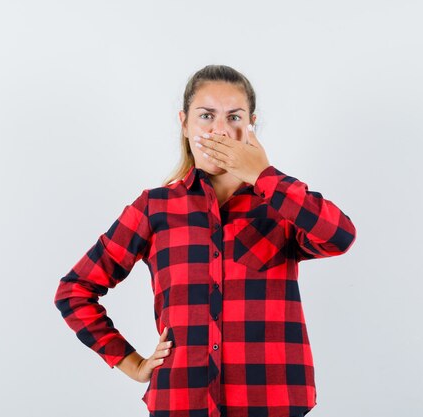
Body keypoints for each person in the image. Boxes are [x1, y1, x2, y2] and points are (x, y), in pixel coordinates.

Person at [54, 64, 357, 417]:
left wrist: (262, 175)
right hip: (181, 403)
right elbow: (74, 291)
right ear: (184, 124)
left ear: (251, 126)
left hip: (271, 404)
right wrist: (131, 363)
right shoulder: (154, 208)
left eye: (234, 118)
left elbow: (340, 236)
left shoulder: (281, 205)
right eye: (206, 116)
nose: (220, 131)